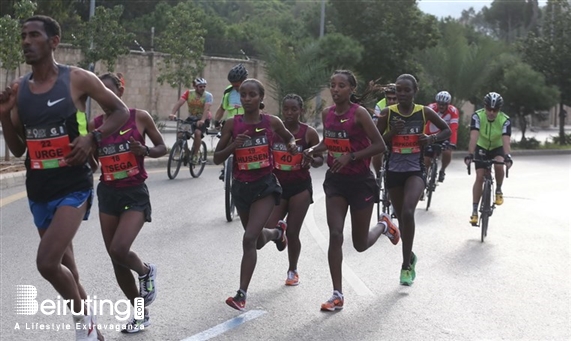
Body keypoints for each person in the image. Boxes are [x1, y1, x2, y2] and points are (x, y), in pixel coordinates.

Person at [0, 15, 129, 341]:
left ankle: (82, 327)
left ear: (54, 41)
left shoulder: (78, 80)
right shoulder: (21, 91)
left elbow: (120, 111)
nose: (26, 42)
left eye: (34, 35)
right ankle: (93, 330)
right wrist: (3, 114)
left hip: (74, 184)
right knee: (67, 268)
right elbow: (17, 149)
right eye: (23, 36)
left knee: (47, 262)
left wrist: (93, 139)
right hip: (39, 187)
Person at [302, 70, 400, 312]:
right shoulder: (328, 114)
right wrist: (313, 149)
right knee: (335, 235)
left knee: (359, 244)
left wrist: (352, 156)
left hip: (360, 182)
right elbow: (329, 142)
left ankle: (384, 225)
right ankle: (337, 294)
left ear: (351, 90)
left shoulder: (360, 114)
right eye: (333, 85)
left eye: (341, 85)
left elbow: (379, 145)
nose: (335, 89)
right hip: (335, 181)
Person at [213, 78, 298, 311]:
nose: (247, 98)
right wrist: (234, 146)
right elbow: (217, 157)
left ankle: (241, 295)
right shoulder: (232, 124)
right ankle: (278, 232)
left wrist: (291, 145)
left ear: (261, 98)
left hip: (265, 187)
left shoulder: (272, 122)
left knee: (249, 239)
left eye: (252, 95)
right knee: (258, 240)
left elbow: (288, 136)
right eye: (243, 94)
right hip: (241, 188)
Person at [92, 73, 167, 333]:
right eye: (99, 93)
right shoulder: (96, 125)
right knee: (116, 259)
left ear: (120, 92)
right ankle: (139, 314)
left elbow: (161, 147)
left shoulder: (140, 117)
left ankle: (145, 270)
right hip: (108, 192)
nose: (105, 98)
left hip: (134, 191)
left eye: (109, 92)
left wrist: (144, 151)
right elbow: (92, 162)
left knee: (120, 248)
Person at [377, 74, 450, 286]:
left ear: (414, 92)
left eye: (406, 90)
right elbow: (377, 143)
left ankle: (405, 266)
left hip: (416, 168)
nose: (401, 94)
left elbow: (445, 129)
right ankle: (410, 256)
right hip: (393, 169)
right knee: (402, 217)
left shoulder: (424, 112)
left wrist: (431, 138)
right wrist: (392, 132)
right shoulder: (386, 113)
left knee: (408, 212)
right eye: (398, 90)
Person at [263, 94, 323, 286]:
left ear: (301, 111)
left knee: (293, 232)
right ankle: (279, 235)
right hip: (278, 186)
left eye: (294, 109)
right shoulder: (274, 131)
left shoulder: (309, 133)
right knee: (271, 229)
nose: (289, 113)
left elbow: (321, 159)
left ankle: (292, 270)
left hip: (300, 187)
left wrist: (311, 159)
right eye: (286, 109)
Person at [464, 92, 513, 225]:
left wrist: (507, 156)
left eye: (495, 110)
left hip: (497, 147)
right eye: (489, 109)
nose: (491, 112)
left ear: (499, 109)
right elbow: (474, 136)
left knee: (499, 164)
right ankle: (474, 210)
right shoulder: (477, 116)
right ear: (484, 107)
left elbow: (506, 139)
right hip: (482, 146)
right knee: (480, 176)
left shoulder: (505, 120)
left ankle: (498, 189)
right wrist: (470, 154)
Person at [214, 64, 248, 179]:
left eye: (237, 85)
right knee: (224, 145)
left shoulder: (252, 90)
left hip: (247, 124)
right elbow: (222, 108)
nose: (235, 88)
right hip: (231, 124)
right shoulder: (228, 91)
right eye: (233, 85)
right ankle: (226, 168)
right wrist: (216, 121)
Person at [169, 77, 213, 164]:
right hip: (192, 118)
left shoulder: (208, 96)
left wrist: (203, 120)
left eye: (204, 86)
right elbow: (179, 103)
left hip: (204, 118)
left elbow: (206, 109)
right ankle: (187, 152)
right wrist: (172, 113)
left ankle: (195, 155)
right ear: (195, 86)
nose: (203, 88)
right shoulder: (188, 93)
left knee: (197, 133)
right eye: (200, 86)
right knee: (180, 134)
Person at [424, 91, 459, 182]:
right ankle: (424, 177)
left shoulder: (453, 111)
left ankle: (442, 169)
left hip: (444, 136)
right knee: (426, 160)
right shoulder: (430, 108)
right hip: (430, 135)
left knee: (447, 152)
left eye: (444, 104)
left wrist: (452, 143)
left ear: (448, 104)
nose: (441, 106)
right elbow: (424, 124)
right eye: (439, 104)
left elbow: (454, 128)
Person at [371, 84, 398, 176]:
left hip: (399, 138)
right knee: (376, 155)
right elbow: (375, 124)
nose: (391, 101)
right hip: (383, 137)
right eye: (389, 98)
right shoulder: (380, 105)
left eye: (394, 99)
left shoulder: (404, 105)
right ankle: (378, 176)